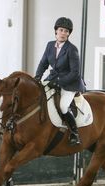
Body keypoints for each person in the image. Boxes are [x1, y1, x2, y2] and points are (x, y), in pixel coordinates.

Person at [34, 17, 86, 146]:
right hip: (53, 78)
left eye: (66, 31)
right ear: (56, 31)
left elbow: (75, 73)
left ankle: (74, 133)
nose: (63, 33)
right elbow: (43, 63)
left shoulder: (72, 49)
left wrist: (59, 82)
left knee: (63, 106)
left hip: (70, 83)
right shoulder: (50, 45)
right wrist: (37, 78)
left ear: (68, 34)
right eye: (61, 30)